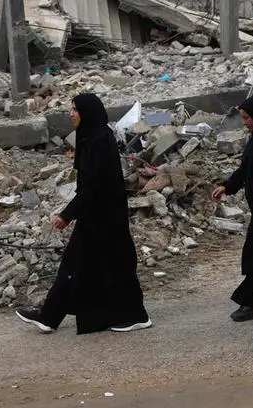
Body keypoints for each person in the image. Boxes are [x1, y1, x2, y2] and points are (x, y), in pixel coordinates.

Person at [15, 93, 152, 334]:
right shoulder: (90, 135)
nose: (71, 113)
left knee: (115, 266)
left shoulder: (99, 139)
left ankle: (136, 315)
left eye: (75, 109)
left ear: (87, 113)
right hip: (94, 215)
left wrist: (67, 215)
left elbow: (93, 185)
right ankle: (49, 317)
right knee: (76, 265)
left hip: (107, 217)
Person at [212, 91, 253, 322]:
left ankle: (250, 302)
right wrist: (227, 186)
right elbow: (246, 168)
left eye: (247, 118)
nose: (244, 122)